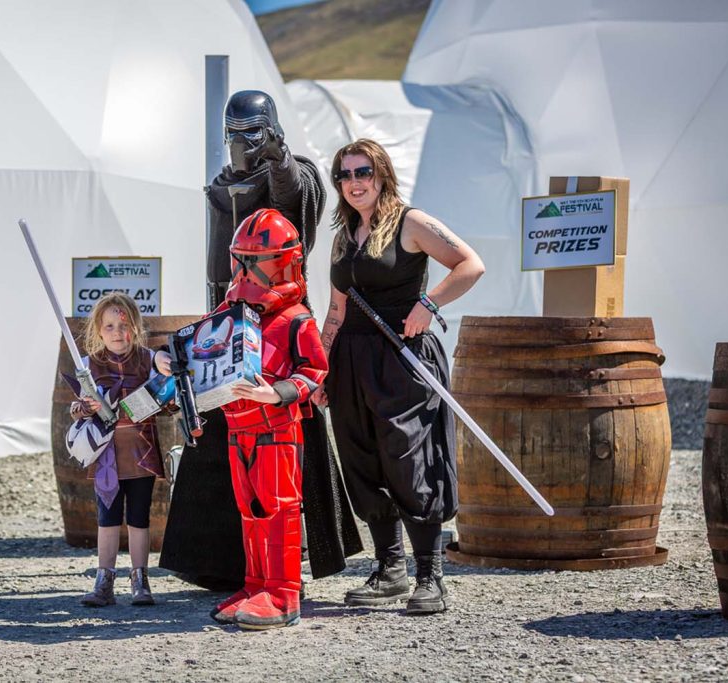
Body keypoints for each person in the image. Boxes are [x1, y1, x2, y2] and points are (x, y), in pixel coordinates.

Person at [159, 89, 362, 591]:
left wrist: (278, 157)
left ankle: (286, 572)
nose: (240, 145)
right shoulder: (226, 183)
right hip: (225, 326)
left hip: (276, 325)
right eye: (234, 135)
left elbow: (296, 202)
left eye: (249, 134)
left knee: (288, 457)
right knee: (222, 448)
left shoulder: (296, 174)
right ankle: (222, 565)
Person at [313, 138, 485, 615]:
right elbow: (336, 309)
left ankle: (430, 577)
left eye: (362, 171)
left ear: (382, 173)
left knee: (410, 459)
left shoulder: (411, 222)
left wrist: (428, 305)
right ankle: (390, 570)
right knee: (363, 461)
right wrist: (322, 369)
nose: (353, 183)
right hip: (351, 360)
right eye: (344, 175)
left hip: (404, 357)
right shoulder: (343, 236)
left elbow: (470, 264)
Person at [208, 208, 326, 629]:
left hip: (276, 430)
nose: (244, 274)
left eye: (253, 262)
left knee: (279, 510)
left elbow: (314, 372)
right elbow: (202, 345)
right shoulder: (232, 314)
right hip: (237, 427)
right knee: (249, 510)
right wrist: (172, 359)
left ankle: (282, 593)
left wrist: (274, 392)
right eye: (240, 262)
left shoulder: (296, 320)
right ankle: (256, 584)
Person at [71, 292, 173, 607]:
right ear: (99, 331)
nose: (118, 333)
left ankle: (140, 580)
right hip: (106, 457)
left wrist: (166, 377)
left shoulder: (147, 358)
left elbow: (164, 376)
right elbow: (79, 406)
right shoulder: (88, 365)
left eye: (124, 325)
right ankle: (104, 581)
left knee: (139, 518)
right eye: (110, 326)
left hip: (140, 452)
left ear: (136, 327)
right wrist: (81, 409)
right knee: (108, 518)